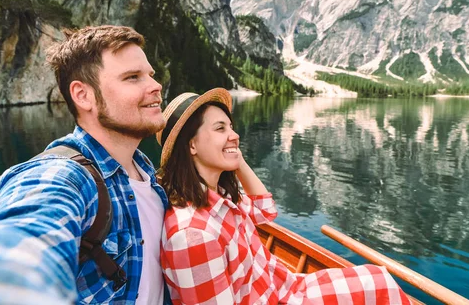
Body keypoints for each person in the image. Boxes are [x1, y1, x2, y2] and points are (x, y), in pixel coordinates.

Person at [0, 25, 170, 304]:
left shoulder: (143, 168)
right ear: (83, 95)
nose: (155, 86)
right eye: (132, 78)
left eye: (150, 75)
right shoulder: (65, 175)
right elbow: (25, 245)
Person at [156, 88, 412, 305]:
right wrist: (229, 150)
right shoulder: (192, 236)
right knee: (378, 288)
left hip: (287, 288)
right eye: (220, 128)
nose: (235, 134)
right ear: (191, 145)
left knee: (378, 278)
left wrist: (235, 156)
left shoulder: (220, 199)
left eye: (231, 127)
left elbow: (265, 211)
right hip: (282, 298)